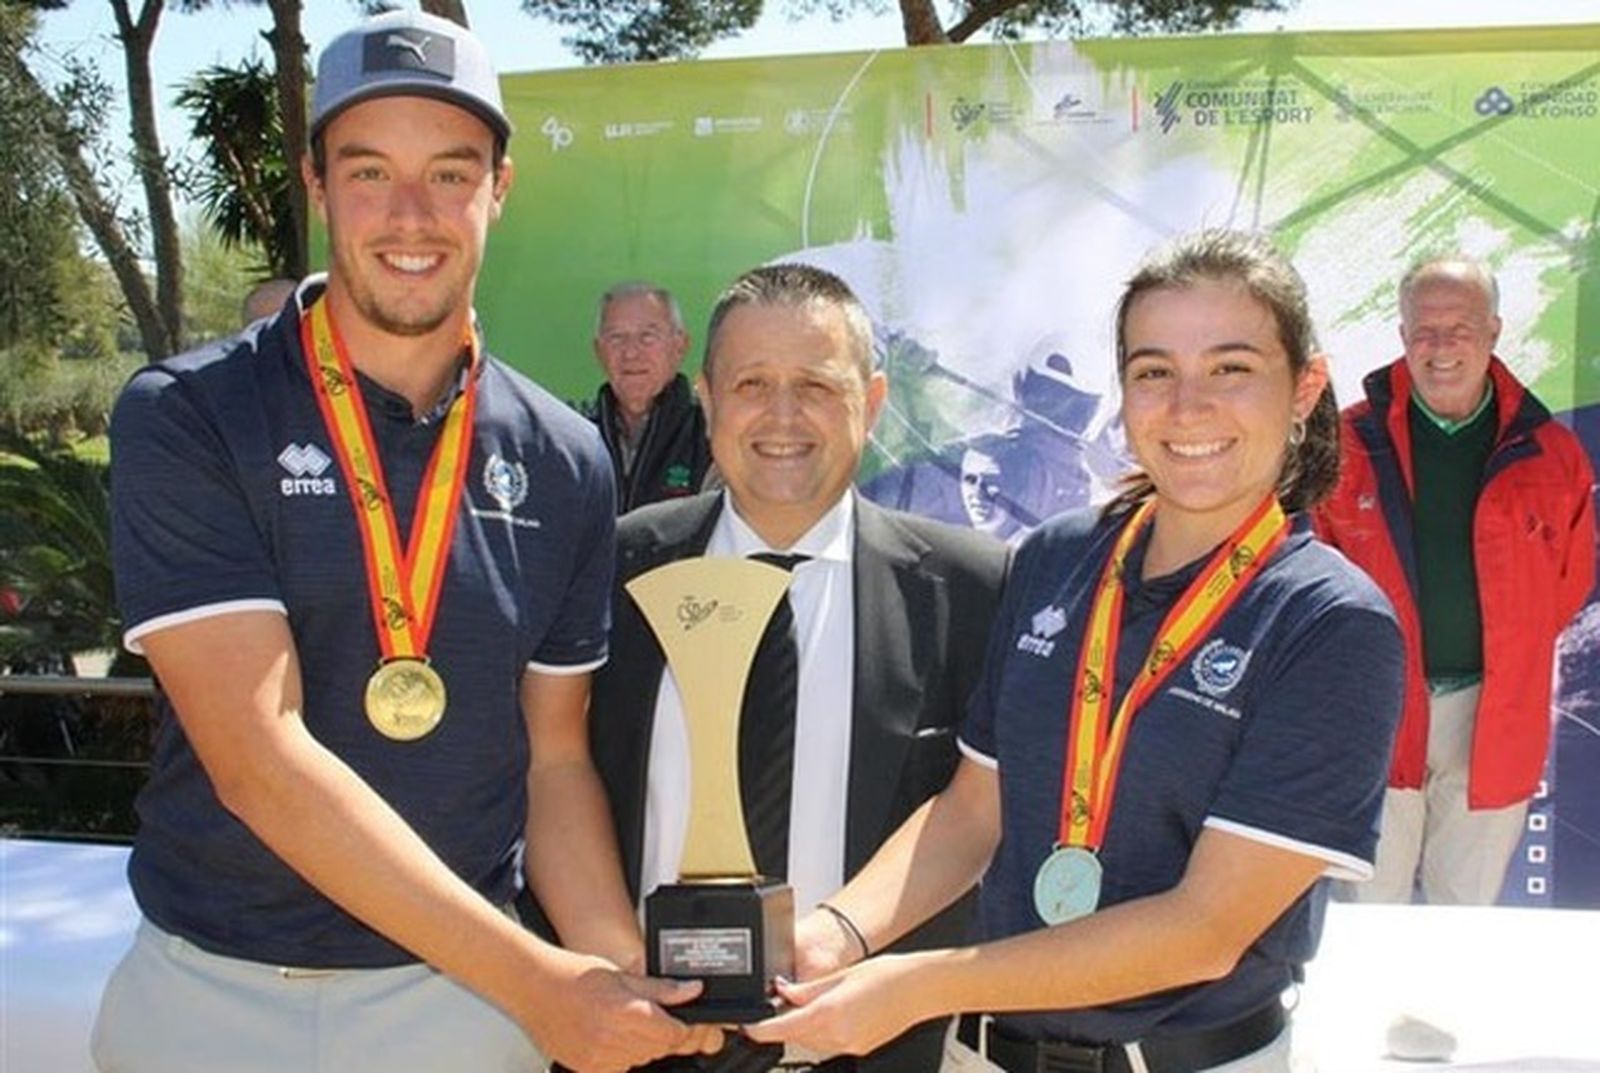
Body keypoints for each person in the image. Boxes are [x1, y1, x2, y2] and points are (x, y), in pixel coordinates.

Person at [94, 12, 717, 1072]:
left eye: (450, 173)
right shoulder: (191, 409)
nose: (410, 215)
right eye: (371, 171)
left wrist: (620, 978)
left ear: (499, 189)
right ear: (318, 184)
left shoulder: (564, 457)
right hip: (212, 993)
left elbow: (554, 757)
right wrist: (538, 978)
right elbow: (257, 759)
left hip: (462, 1005)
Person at [745, 230, 1406, 1073]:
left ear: (1305, 387)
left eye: (1231, 367)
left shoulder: (1330, 622)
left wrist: (916, 986)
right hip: (987, 1054)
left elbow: (1205, 931)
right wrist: (836, 933)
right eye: (1154, 370)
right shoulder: (1057, 558)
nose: (1187, 404)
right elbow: (971, 812)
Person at [569, 263, 1007, 1072]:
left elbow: (977, 808)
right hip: (642, 1045)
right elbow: (559, 772)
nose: (781, 415)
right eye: (750, 384)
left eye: (816, 384)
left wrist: (840, 940)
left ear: (872, 403)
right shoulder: (617, 566)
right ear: (705, 397)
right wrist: (611, 964)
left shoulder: (973, 589)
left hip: (869, 1054)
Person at [1315, 254, 1596, 905]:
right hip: (1375, 711)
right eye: (1424, 330)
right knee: (1363, 913)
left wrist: (1503, 646)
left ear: (1494, 331)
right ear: (1402, 334)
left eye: (1460, 328)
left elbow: (1568, 583)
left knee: (1461, 916)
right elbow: (1312, 575)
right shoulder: (1346, 443)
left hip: (1493, 715)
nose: (1440, 348)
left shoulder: (1552, 454)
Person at [580, 281, 714, 512]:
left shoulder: (711, 433)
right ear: (598, 351)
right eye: (616, 337)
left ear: (680, 346)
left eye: (647, 336)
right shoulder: (576, 435)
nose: (631, 352)